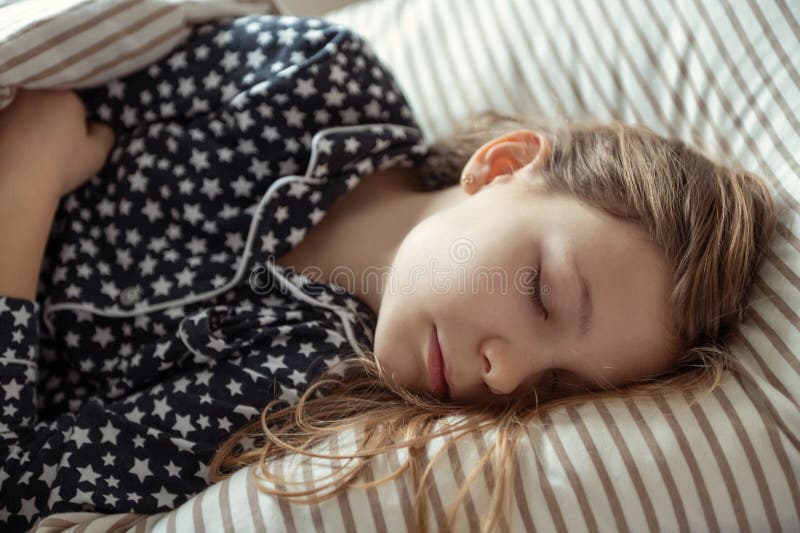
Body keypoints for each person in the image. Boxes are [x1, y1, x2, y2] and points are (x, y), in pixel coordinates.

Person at [0, 14, 775, 533]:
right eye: (540, 293)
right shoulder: (320, 84)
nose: (505, 377)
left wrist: (26, 180)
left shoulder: (309, 408)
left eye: (557, 389)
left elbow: (18, 480)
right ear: (502, 165)